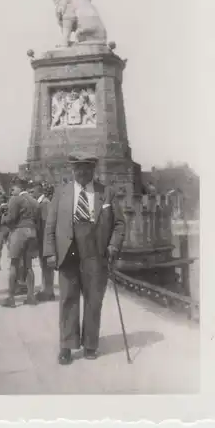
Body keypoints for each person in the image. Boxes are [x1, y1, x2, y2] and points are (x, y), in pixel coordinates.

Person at [43, 152, 125, 364]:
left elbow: (119, 224)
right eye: (78, 168)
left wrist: (114, 245)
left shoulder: (106, 193)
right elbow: (50, 225)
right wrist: (50, 252)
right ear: (72, 170)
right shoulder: (61, 193)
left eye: (86, 168)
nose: (82, 172)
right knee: (68, 299)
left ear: (93, 169)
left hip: (95, 254)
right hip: (68, 252)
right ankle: (67, 346)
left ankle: (90, 344)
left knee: (93, 300)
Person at [1, 177, 41, 308]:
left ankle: (11, 298)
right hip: (32, 232)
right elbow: (37, 219)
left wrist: (3, 218)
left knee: (14, 264)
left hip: (19, 232)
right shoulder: (34, 201)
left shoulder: (15, 199)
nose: (12, 191)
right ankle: (31, 297)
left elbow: (11, 218)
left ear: (19, 187)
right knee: (29, 265)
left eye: (14, 188)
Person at [31, 181, 55, 302]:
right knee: (44, 265)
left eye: (33, 190)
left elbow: (47, 224)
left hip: (45, 239)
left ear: (39, 190)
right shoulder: (41, 203)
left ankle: (49, 291)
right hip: (42, 239)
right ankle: (45, 289)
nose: (31, 193)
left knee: (47, 266)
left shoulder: (44, 203)